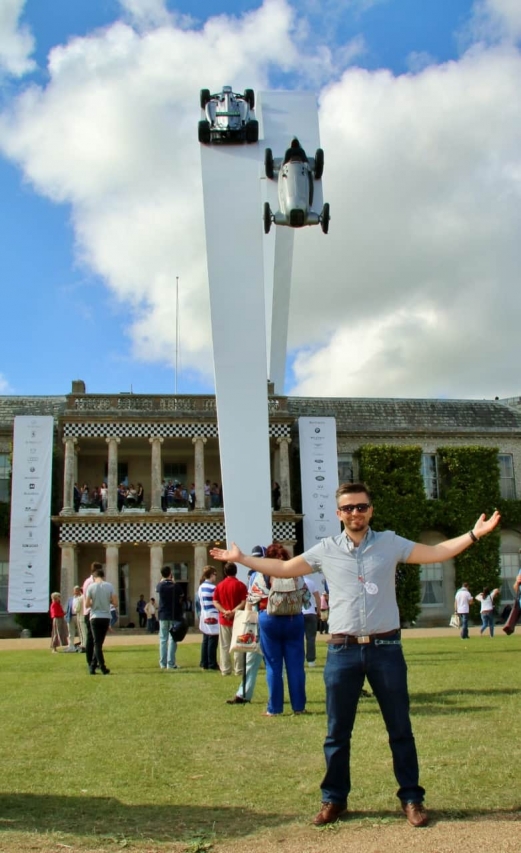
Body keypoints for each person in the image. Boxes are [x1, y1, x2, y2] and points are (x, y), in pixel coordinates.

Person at [210, 481, 500, 828]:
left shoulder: (390, 543)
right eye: (348, 508)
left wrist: (473, 534)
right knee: (336, 732)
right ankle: (334, 799)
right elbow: (286, 569)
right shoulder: (326, 549)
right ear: (338, 514)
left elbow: (436, 552)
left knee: (400, 728)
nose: (355, 513)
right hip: (342, 649)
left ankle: (411, 798)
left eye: (361, 507)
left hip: (386, 648)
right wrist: (242, 559)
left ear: (370, 510)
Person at [257, 543, 309, 716]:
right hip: (293, 620)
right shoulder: (295, 573)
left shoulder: (262, 574)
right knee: (295, 666)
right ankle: (299, 707)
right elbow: (306, 598)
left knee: (273, 665)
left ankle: (275, 708)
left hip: (269, 619)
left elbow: (252, 597)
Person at [213, 562, 247, 676]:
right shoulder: (241, 585)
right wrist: (233, 611)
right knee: (238, 645)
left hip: (224, 618)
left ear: (225, 572)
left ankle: (226, 669)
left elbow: (215, 601)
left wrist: (224, 611)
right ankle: (239, 669)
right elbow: (244, 601)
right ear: (236, 571)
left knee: (224, 645)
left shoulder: (220, 585)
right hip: (237, 618)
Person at [85, 567, 118, 674]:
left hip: (94, 616)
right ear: (103, 576)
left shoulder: (91, 587)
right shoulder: (109, 586)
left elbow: (87, 604)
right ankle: (99, 666)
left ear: (94, 577)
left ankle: (94, 666)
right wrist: (106, 600)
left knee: (97, 643)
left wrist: (94, 602)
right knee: (99, 643)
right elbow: (115, 603)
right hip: (105, 617)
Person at [156, 567, 184, 670]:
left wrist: (163, 579)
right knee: (173, 639)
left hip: (163, 615)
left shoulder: (160, 585)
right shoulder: (175, 586)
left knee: (163, 639)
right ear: (170, 574)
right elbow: (181, 595)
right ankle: (170, 663)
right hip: (174, 614)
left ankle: (162, 663)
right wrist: (173, 581)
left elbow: (157, 588)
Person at [197, 566, 220, 670]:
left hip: (204, 613)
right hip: (213, 614)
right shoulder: (213, 588)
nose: (215, 577)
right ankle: (212, 663)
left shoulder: (201, 587)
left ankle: (204, 662)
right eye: (215, 574)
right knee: (212, 639)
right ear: (211, 575)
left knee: (205, 639)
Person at [302, 574, 321, 667]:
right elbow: (317, 597)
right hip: (310, 612)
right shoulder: (311, 582)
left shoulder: (294, 581)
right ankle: (311, 661)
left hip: (298, 613)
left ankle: (299, 659)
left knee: (298, 638)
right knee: (310, 638)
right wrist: (318, 610)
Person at [65, 585, 82, 651]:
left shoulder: (81, 598)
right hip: (71, 616)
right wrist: (66, 616)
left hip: (78, 616)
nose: (76, 592)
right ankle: (70, 646)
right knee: (71, 632)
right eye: (75, 591)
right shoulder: (70, 599)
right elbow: (68, 608)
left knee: (80, 632)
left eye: (77, 590)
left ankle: (82, 645)